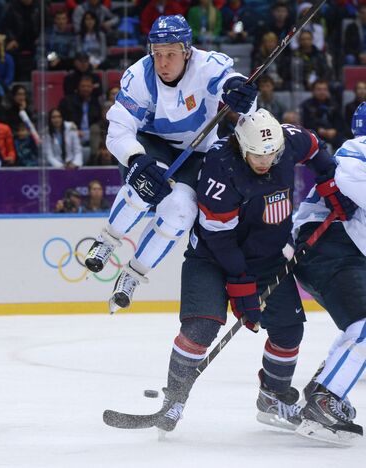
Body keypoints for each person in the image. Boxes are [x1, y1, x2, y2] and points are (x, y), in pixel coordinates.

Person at [140, 109, 355, 434]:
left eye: (270, 154)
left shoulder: (286, 141)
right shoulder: (220, 165)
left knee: (288, 331)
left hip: (266, 257)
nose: (265, 161)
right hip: (211, 256)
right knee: (201, 327)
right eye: (257, 155)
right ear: (241, 145)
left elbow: (313, 148)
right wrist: (241, 286)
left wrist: (328, 181)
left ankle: (273, 396)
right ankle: (175, 398)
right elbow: (219, 237)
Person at [83, 15, 258, 311]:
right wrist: (135, 158)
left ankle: (133, 274)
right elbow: (118, 130)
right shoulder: (140, 76)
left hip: (196, 152)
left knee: (180, 211)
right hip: (152, 144)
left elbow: (236, 89)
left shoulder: (206, 65)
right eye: (158, 53)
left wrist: (242, 96)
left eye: (171, 54)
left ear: (187, 51)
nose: (162, 62)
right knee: (143, 186)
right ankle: (108, 240)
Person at [292, 103, 366, 444]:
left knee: (359, 324)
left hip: (340, 252)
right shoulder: (357, 148)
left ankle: (324, 387)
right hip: (326, 244)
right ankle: (325, 398)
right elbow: (347, 174)